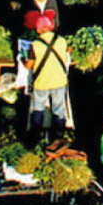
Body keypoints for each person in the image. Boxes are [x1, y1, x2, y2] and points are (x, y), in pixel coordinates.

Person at [27, 12, 69, 144]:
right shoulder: (62, 41)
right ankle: (59, 136)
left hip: (42, 83)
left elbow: (29, 65)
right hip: (60, 81)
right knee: (59, 109)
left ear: (38, 29)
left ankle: (35, 137)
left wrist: (23, 59)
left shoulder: (35, 45)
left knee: (38, 109)